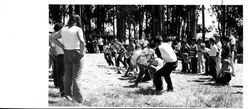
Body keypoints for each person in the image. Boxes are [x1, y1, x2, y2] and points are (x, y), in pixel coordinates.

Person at [50, 14, 85, 103]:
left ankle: (68, 95)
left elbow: (52, 38)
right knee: (76, 77)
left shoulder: (63, 29)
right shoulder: (78, 29)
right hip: (76, 52)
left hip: (66, 53)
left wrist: (63, 46)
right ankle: (78, 98)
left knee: (67, 76)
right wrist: (81, 53)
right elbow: (82, 41)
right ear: (77, 21)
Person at [51, 23, 65, 96]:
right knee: (63, 73)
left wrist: (54, 56)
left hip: (58, 56)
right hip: (66, 56)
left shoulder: (54, 36)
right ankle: (63, 90)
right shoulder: (65, 36)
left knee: (58, 72)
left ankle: (60, 87)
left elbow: (52, 49)